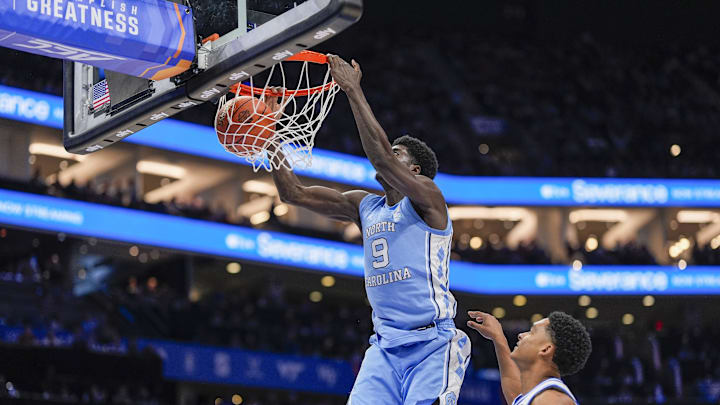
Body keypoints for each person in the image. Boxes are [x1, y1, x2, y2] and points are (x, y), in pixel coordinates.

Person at [266, 55, 470, 405]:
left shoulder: (429, 200)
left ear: (416, 170)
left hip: (432, 343)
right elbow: (292, 193)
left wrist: (353, 90)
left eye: (399, 153)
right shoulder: (365, 206)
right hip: (385, 347)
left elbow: (381, 160)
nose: (390, 153)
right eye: (391, 149)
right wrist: (269, 134)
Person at [466, 310, 592, 405]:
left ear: (546, 349)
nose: (521, 335)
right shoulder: (539, 396)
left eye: (532, 332)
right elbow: (515, 393)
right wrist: (498, 338)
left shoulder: (553, 401)